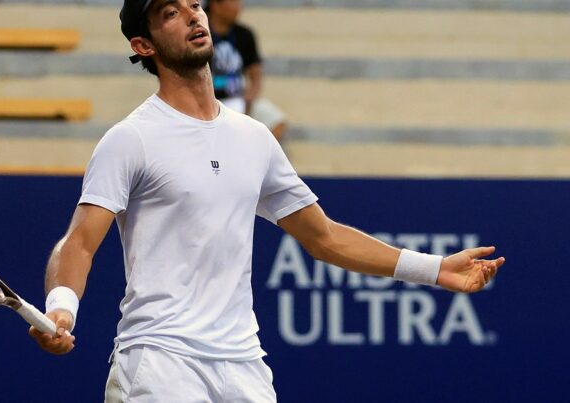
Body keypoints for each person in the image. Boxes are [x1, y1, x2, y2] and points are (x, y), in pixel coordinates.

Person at [28, 1, 505, 401]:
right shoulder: (129, 139)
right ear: (143, 45)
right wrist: (62, 308)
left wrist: (433, 269)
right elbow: (79, 243)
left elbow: (324, 237)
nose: (193, 16)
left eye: (194, 5)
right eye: (171, 13)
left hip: (244, 368)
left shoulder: (254, 138)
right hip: (159, 363)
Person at [206, 0, 288, 141]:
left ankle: (252, 154)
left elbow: (256, 77)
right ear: (215, 5)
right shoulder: (200, 33)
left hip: (239, 99)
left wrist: (248, 100)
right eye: (233, 2)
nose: (239, 7)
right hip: (210, 101)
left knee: (276, 122)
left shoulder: (244, 34)